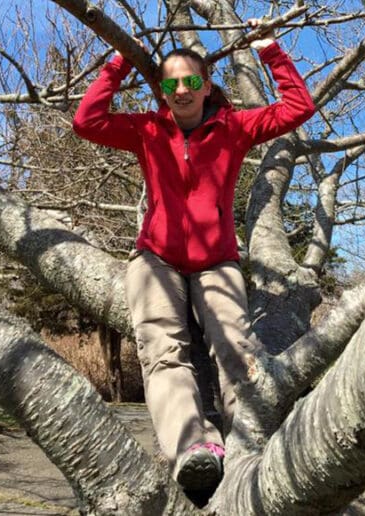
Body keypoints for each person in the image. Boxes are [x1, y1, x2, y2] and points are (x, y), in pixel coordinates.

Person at [73, 18, 315, 491]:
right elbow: (87, 122)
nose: (180, 90)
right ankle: (192, 447)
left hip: (216, 262)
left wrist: (270, 50)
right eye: (170, 82)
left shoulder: (235, 128)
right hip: (156, 259)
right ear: (162, 90)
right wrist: (119, 62)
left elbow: (298, 106)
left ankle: (246, 443)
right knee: (163, 351)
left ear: (206, 86)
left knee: (236, 349)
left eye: (190, 81)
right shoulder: (146, 129)